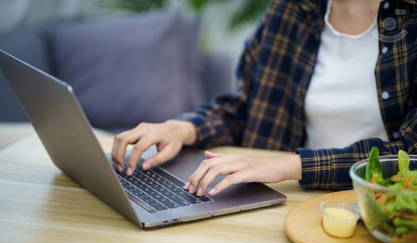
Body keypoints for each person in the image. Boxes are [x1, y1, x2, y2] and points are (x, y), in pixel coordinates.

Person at [112, 0, 417, 197]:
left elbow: (410, 152)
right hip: (287, 197)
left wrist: (286, 166)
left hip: (379, 205)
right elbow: (248, 108)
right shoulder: (291, 10)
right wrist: (180, 129)